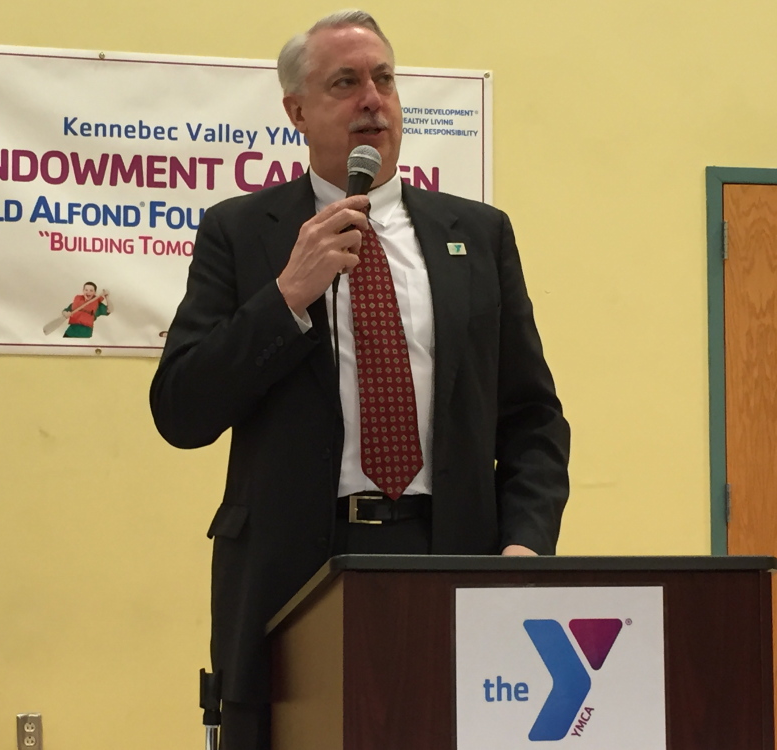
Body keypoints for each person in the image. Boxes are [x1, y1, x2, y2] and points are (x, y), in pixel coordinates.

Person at [149, 10, 570, 750]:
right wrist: (287, 297)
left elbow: (532, 417)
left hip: (451, 555)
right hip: (293, 570)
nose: (372, 98)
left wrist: (524, 547)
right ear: (298, 112)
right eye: (345, 82)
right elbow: (182, 410)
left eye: (383, 79)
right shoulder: (241, 234)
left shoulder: (479, 234)